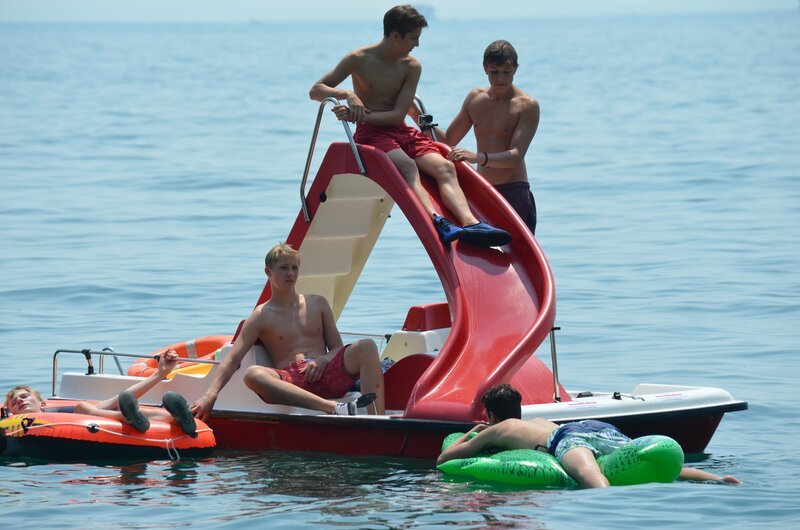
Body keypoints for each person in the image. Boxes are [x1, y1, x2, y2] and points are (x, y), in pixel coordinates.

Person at [309, 5, 511, 248]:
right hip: (371, 135)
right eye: (413, 38)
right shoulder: (358, 59)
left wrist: (359, 116)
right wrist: (347, 95)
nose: (416, 45)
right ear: (396, 36)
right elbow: (316, 91)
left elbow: (396, 116)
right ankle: (439, 221)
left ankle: (470, 224)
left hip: (399, 130)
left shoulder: (411, 66)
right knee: (407, 166)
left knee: (446, 167)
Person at [190, 243, 384, 422]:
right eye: (283, 268)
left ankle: (379, 420)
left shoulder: (318, 304)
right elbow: (232, 360)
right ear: (268, 272)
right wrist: (211, 395)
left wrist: (323, 360)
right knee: (253, 374)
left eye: (294, 268)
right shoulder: (260, 316)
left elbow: (337, 349)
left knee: (366, 346)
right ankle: (334, 407)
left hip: (326, 370)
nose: (290, 273)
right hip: (293, 382)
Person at [437, 384, 741, 488]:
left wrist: (473, 433)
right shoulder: (540, 420)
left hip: (571, 439)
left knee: (592, 480)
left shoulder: (498, 430)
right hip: (598, 428)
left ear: (490, 415)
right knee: (642, 462)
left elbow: (444, 459)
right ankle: (718, 480)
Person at [415, 40, 539, 234]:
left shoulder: (527, 105)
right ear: (485, 69)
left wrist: (476, 157)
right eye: (494, 71)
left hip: (514, 190)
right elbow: (447, 141)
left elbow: (516, 156)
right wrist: (414, 114)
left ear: (516, 69)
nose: (500, 78)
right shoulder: (475, 98)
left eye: (506, 71)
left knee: (519, 258)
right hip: (483, 191)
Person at [4, 350, 197, 436]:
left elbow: (116, 399)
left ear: (42, 403)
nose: (19, 400)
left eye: (24, 396)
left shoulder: (58, 411)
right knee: (84, 408)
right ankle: (136, 418)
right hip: (90, 416)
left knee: (115, 402)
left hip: (91, 416)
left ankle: (180, 419)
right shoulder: (10, 428)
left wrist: (161, 373)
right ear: (10, 412)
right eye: (14, 401)